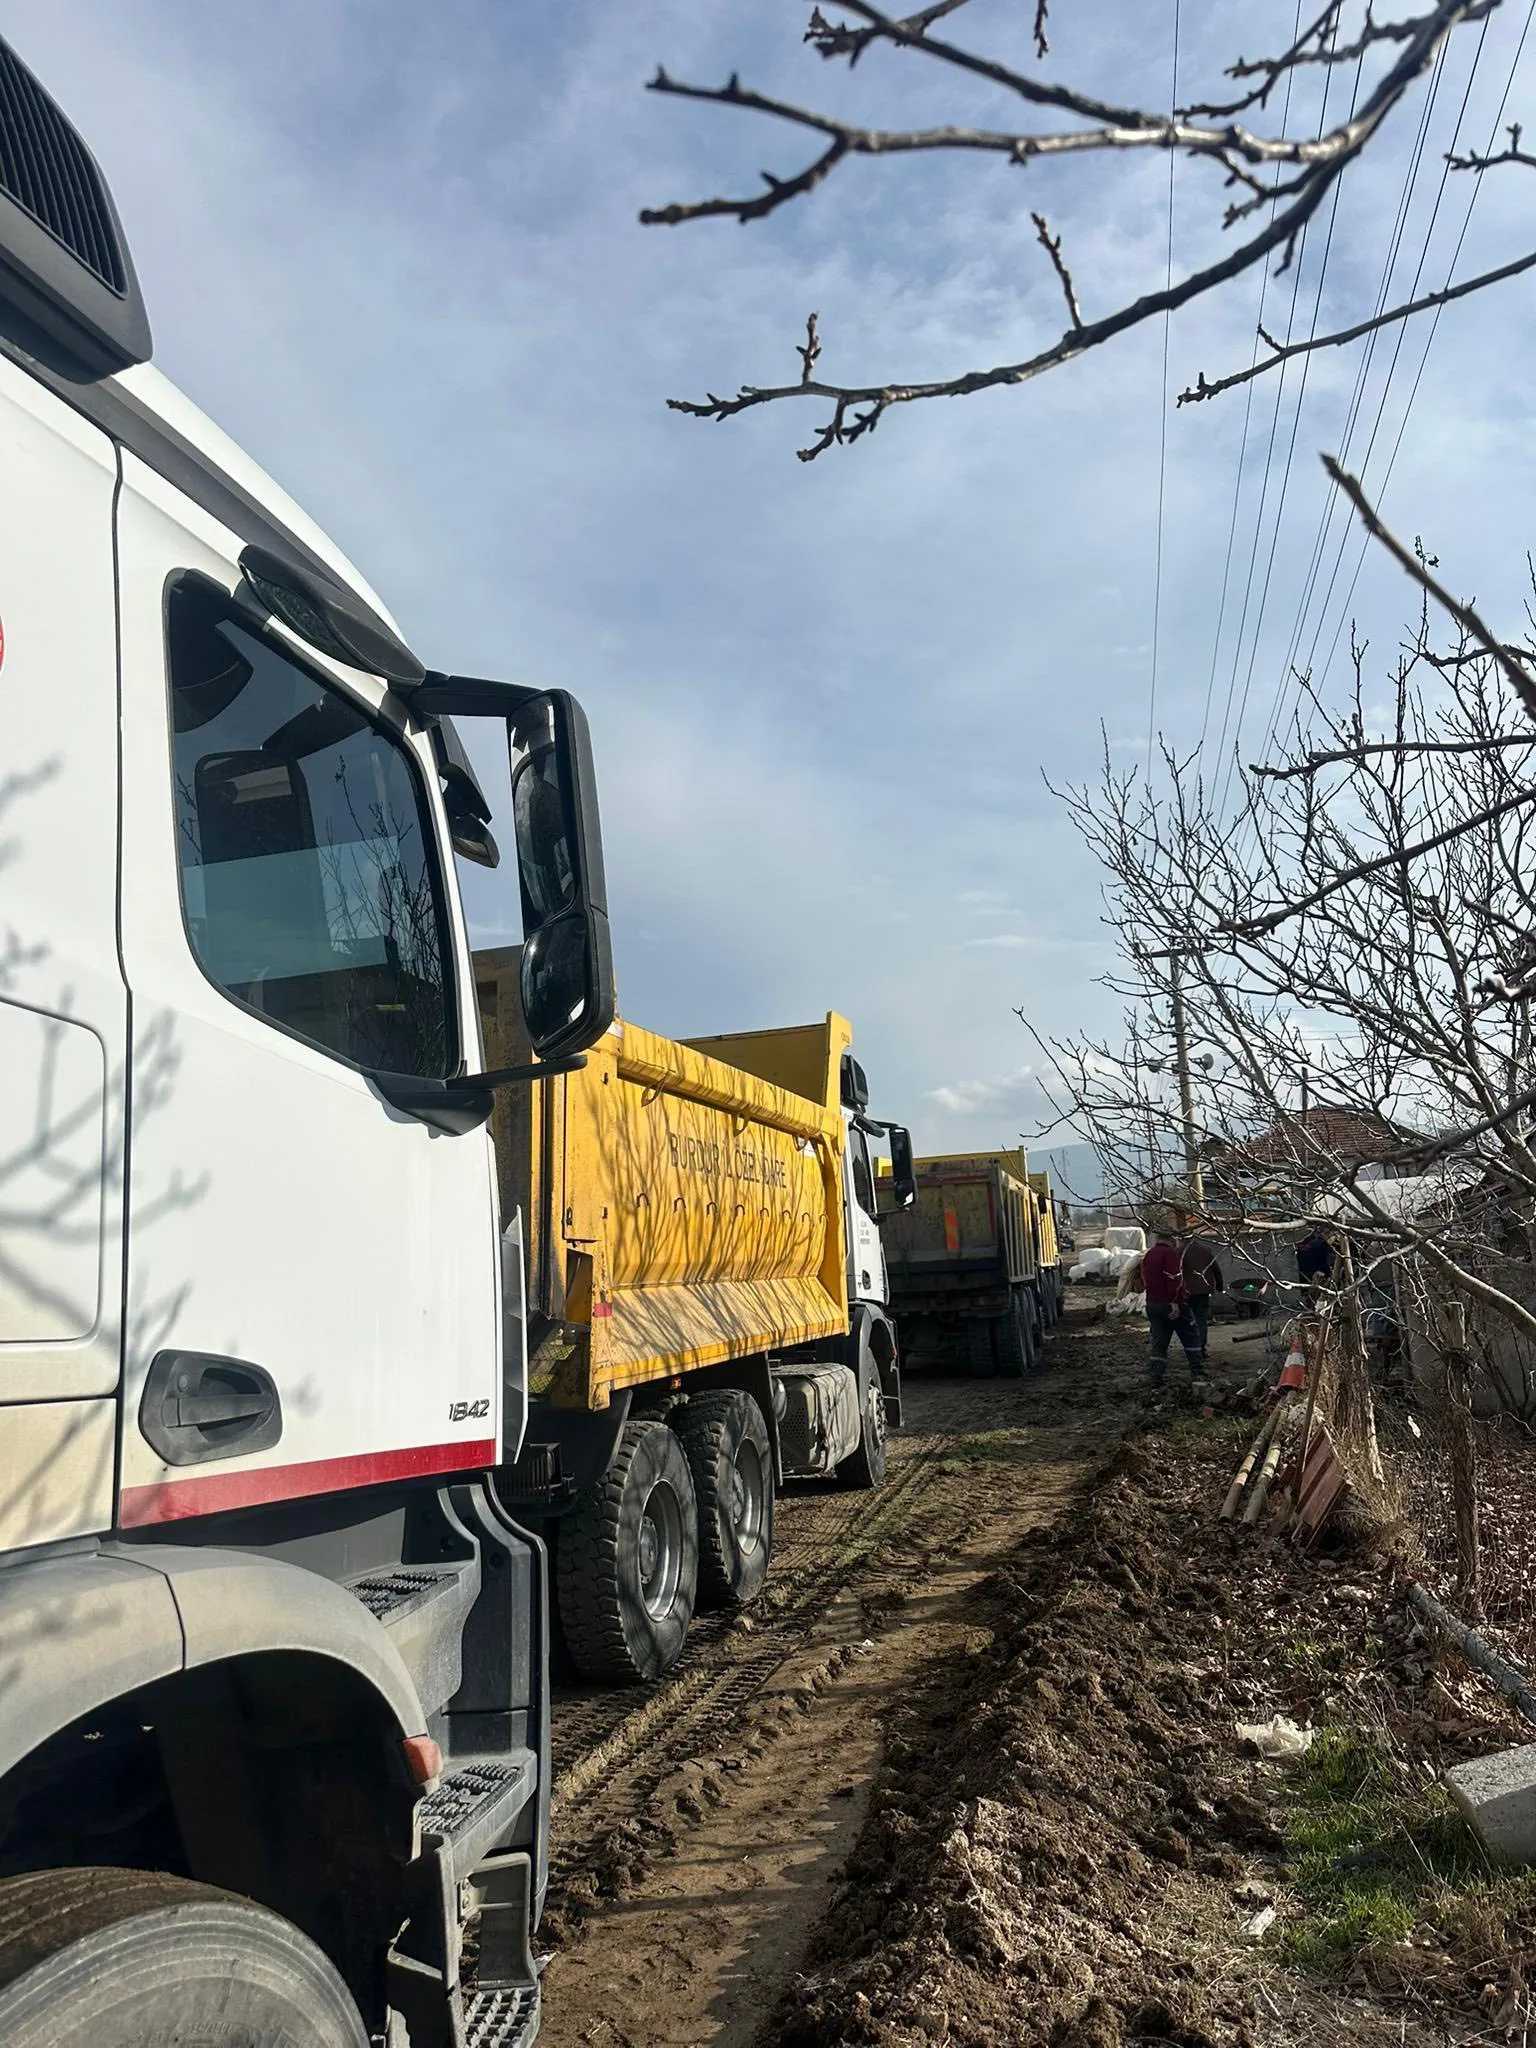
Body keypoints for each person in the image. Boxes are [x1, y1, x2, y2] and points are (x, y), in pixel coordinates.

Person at [1142, 1226, 1207, 1392]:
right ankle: (1198, 1372)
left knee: (1160, 1340)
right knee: (1191, 1336)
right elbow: (1174, 1278)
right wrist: (1175, 1301)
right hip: (1170, 1304)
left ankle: (1155, 1376)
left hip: (1153, 1303)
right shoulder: (1169, 1254)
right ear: (1172, 1239)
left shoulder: (1149, 1254)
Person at [1182, 1236, 1223, 1350]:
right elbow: (1216, 1270)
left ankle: (1191, 1346)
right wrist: (1219, 1286)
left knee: (1188, 1320)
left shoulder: (1180, 1251)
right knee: (1201, 1320)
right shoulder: (1206, 1250)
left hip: (1186, 1291)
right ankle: (1201, 1346)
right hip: (1203, 1291)